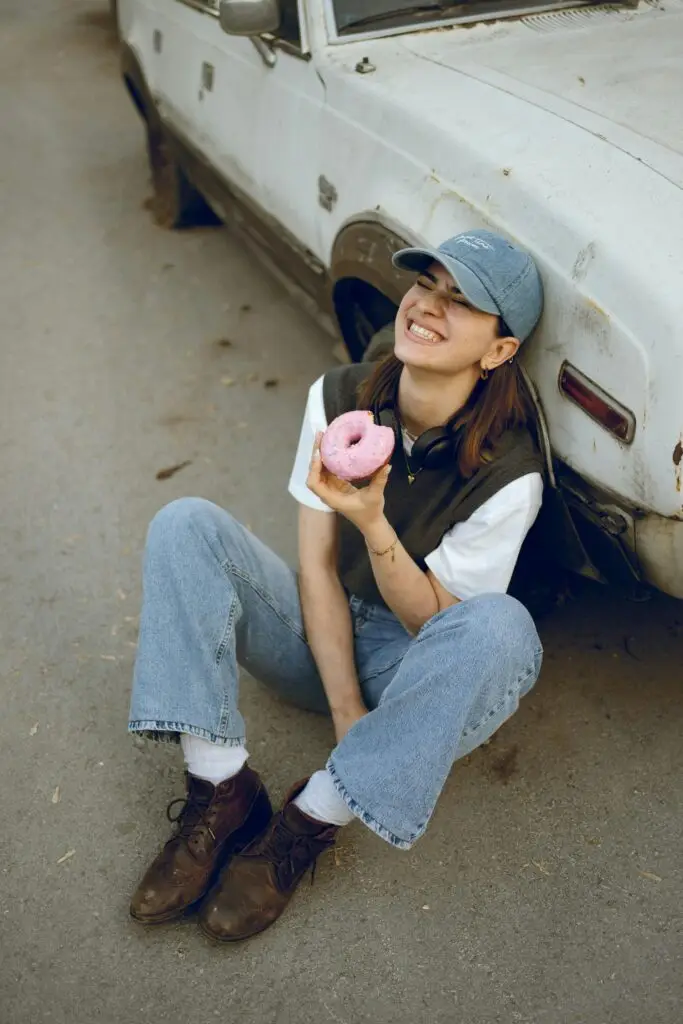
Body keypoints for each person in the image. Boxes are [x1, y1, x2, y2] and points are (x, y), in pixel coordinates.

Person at [127, 229, 546, 942]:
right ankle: (220, 788)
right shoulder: (341, 396)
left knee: (501, 628)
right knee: (185, 522)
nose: (427, 306)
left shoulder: (510, 475)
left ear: (498, 350)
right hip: (318, 634)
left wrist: (375, 525)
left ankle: (309, 818)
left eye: (460, 300)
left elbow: (436, 629)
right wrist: (343, 704)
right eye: (426, 285)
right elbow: (316, 565)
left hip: (412, 680)